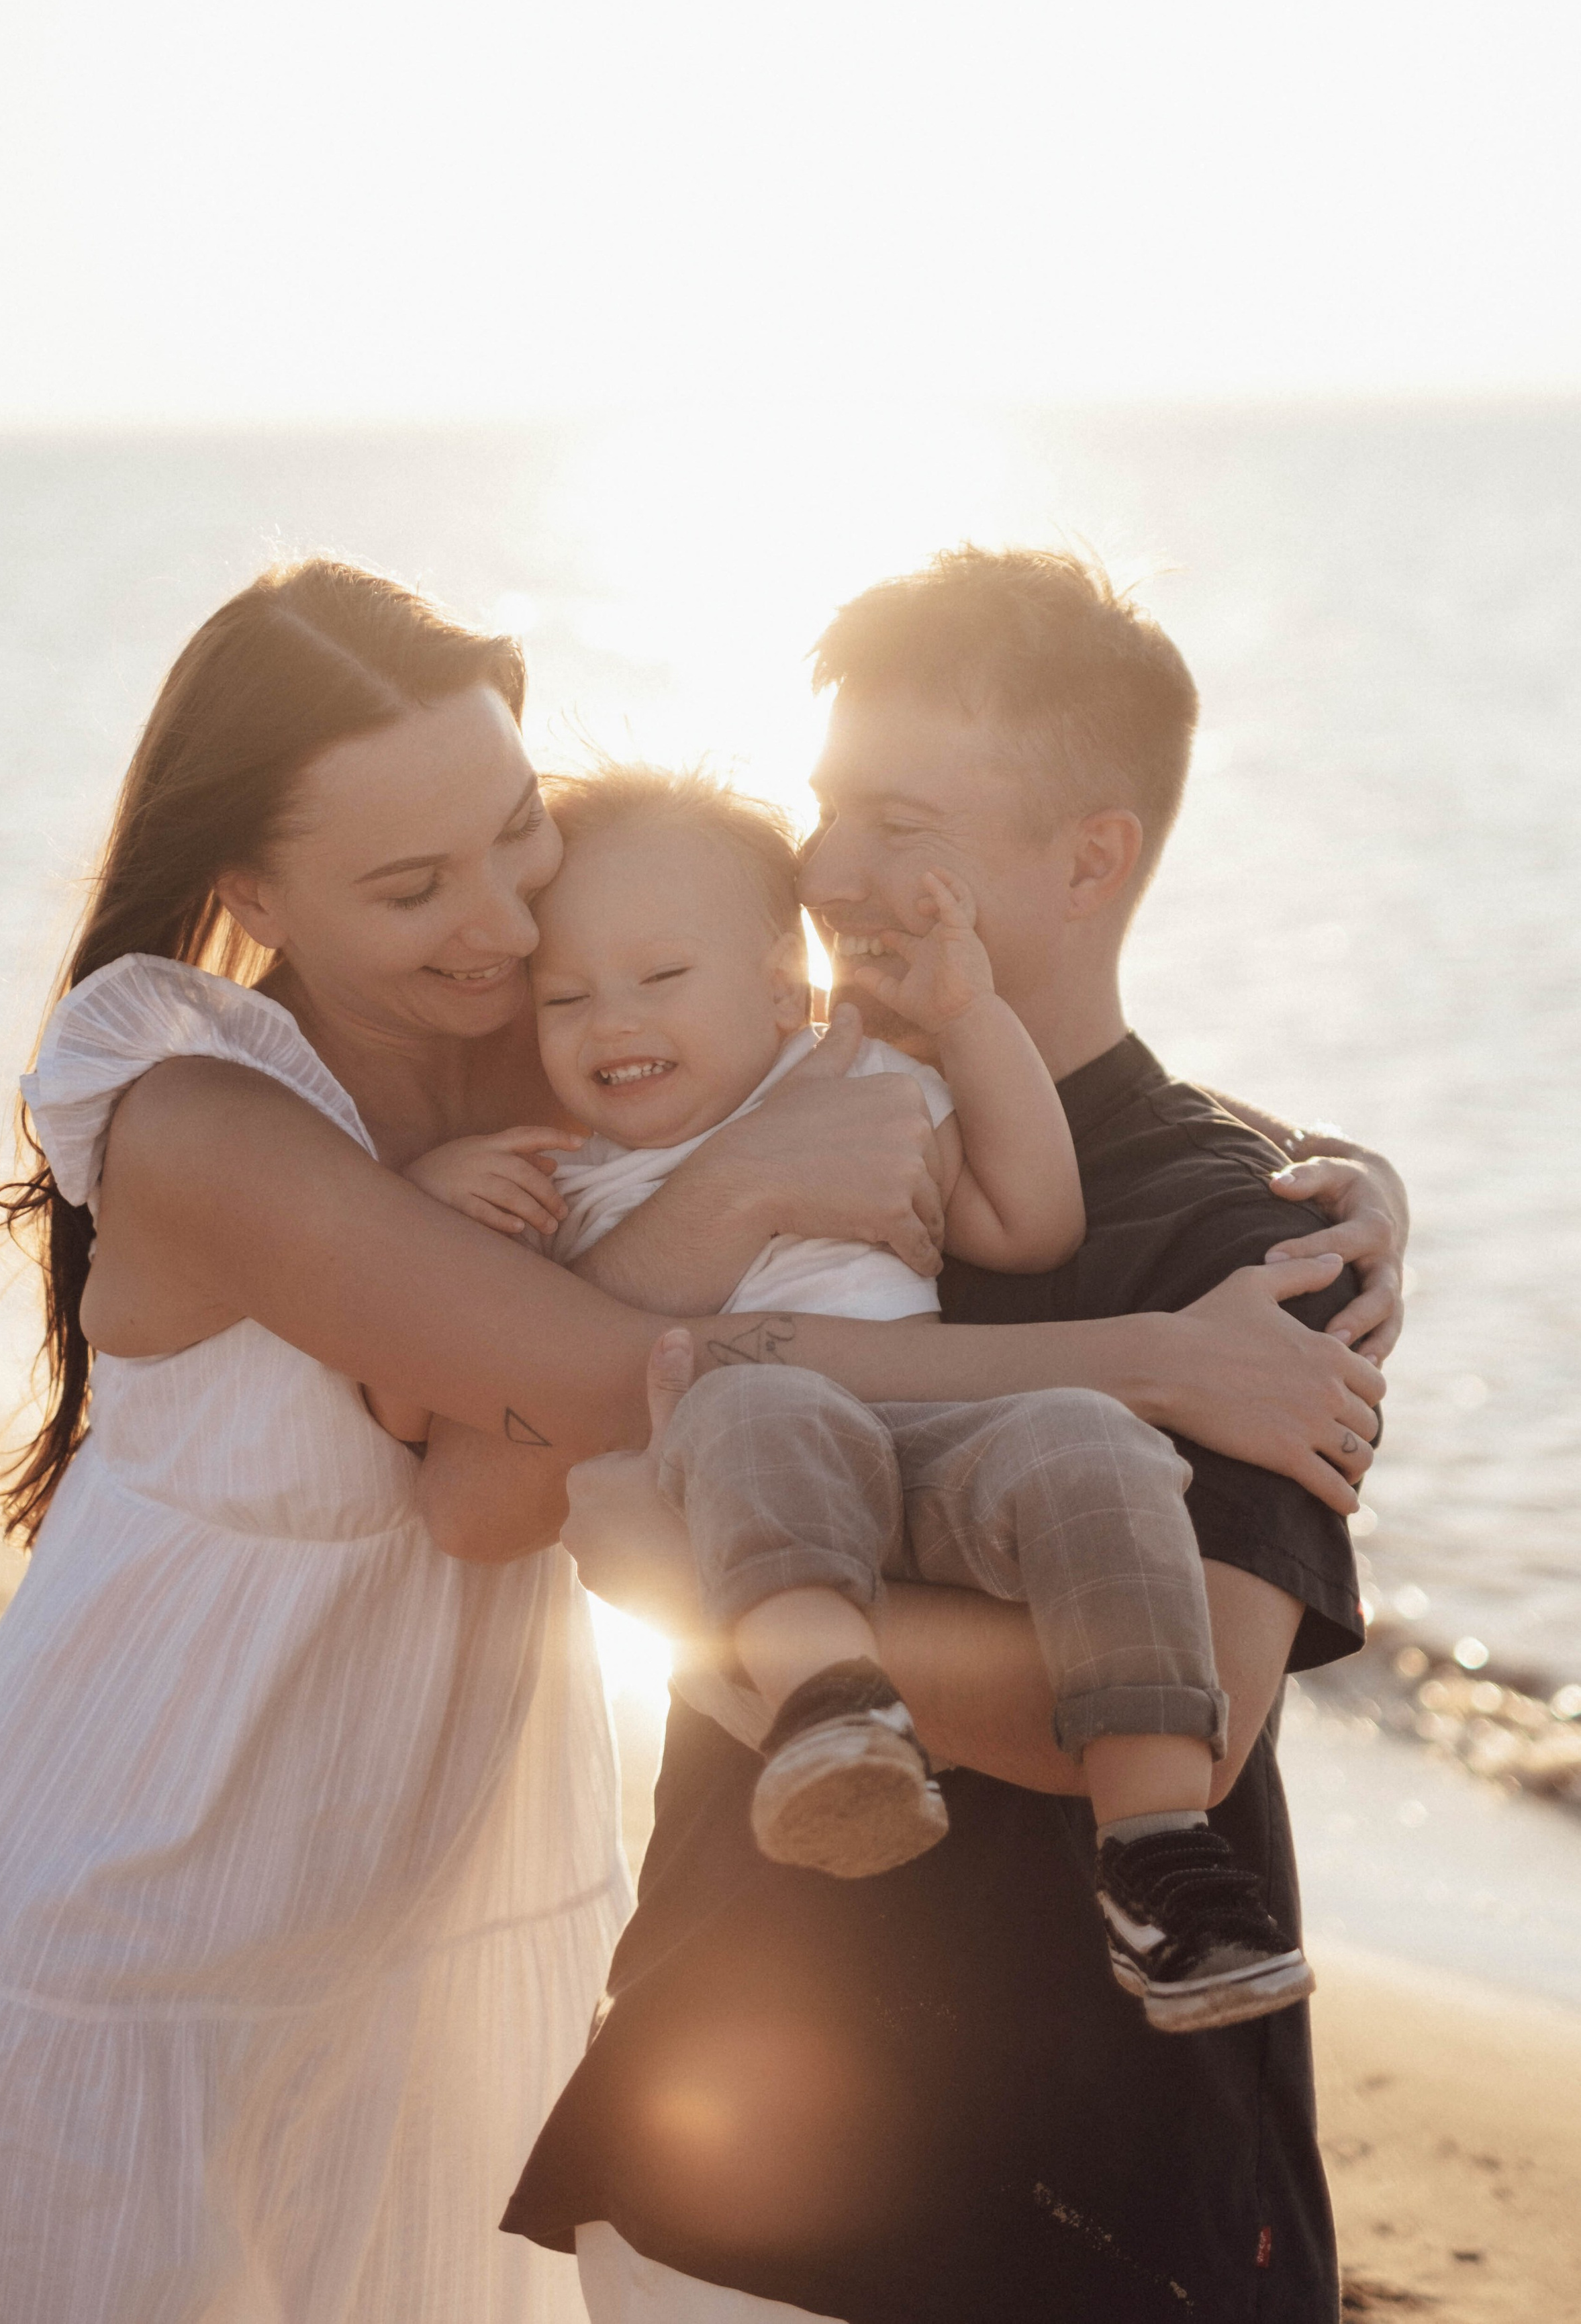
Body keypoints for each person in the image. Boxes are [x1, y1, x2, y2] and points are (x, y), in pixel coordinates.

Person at [0, 556, 1385, 2324]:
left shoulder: (533, 1031)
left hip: (408, 1928)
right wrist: (1132, 1353)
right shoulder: (217, 1117)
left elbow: (805, 1046)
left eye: (518, 834)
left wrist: (1358, 1185)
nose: (510, 930)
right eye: (415, 884)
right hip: (133, 1906)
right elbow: (571, 1405)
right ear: (254, 886)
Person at [506, 546, 1407, 2323]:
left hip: (1087, 2187)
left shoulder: (1246, 1242)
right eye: (826, 804)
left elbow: (1195, 1722)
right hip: (720, 2154)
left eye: (896, 820)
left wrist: (708, 1616)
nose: (827, 870)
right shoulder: (732, 1084)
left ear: (1091, 858)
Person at [382, 760, 1314, 2031]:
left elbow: (1030, 1225)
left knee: (1093, 1440)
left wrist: (972, 1019)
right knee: (756, 1402)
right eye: (567, 997)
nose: (611, 1023)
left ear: (778, 979)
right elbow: (424, 1398)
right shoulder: (567, 1176)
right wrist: (428, 1201)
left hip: (941, 1458)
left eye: (659, 980)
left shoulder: (868, 1080)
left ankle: (1161, 1855)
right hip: (759, 1465)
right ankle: (837, 1724)